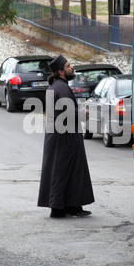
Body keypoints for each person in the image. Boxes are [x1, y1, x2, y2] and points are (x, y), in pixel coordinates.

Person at [38, 55, 94, 218]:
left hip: (59, 135)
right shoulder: (61, 88)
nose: (72, 68)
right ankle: (57, 208)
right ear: (61, 71)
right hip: (64, 137)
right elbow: (67, 112)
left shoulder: (55, 86)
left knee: (71, 169)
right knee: (61, 170)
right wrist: (83, 115)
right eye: (69, 66)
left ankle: (71, 205)